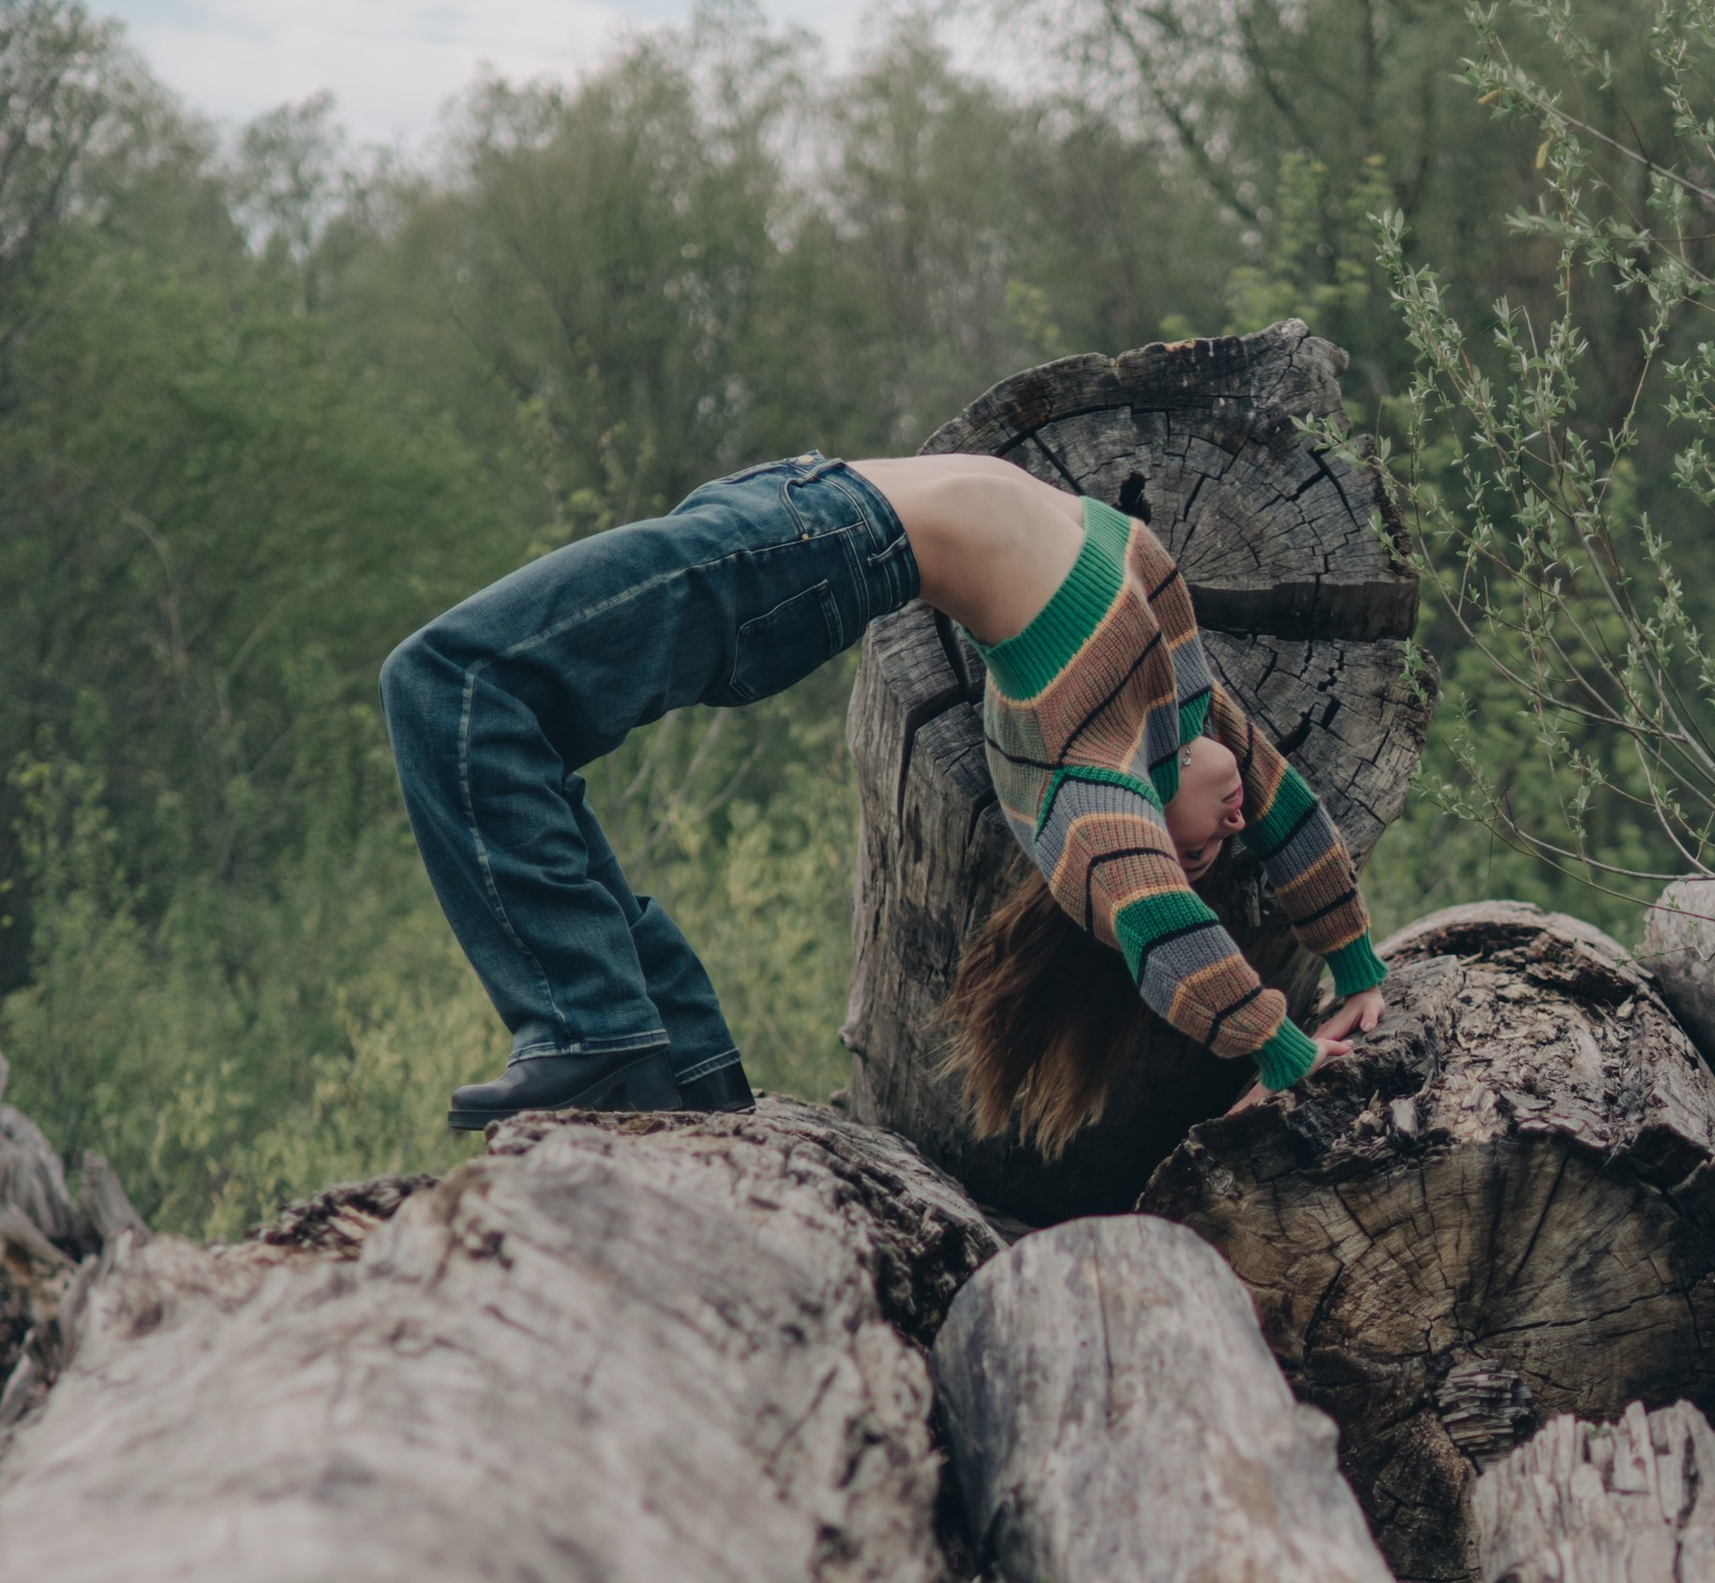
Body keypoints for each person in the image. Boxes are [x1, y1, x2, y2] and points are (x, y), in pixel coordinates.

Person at [379, 451, 1388, 1137]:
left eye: (1205, 858)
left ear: (1143, 844)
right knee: (506, 728)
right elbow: (1290, 809)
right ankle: (677, 1066)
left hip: (812, 545)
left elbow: (1167, 936)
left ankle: (594, 1032)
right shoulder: (1179, 699)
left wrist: (1291, 1056)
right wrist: (1355, 968)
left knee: (451, 684)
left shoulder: (1088, 780)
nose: (1236, 826)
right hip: (797, 504)